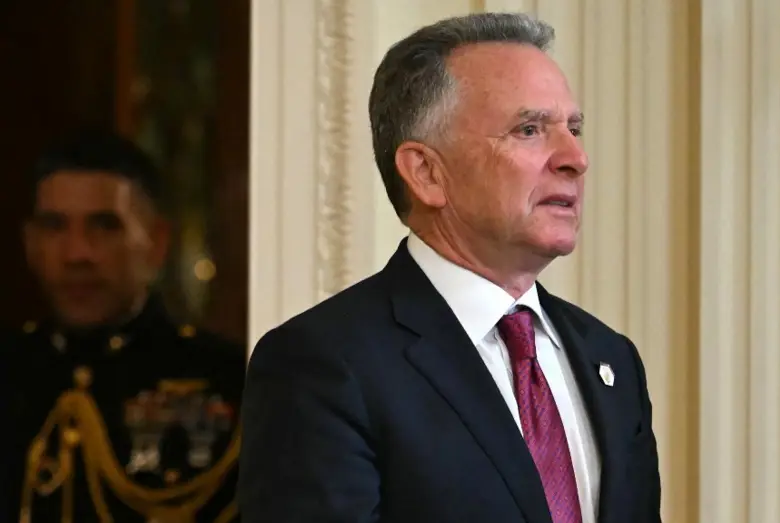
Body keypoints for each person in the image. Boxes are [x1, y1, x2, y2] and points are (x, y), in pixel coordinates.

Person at [239, 12, 661, 523]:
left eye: (574, 129)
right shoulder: (324, 365)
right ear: (426, 173)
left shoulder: (611, 358)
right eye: (529, 130)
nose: (575, 158)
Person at [2, 130, 245, 523]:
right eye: (55, 226)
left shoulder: (228, 380)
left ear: (156, 242)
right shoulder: (11, 371)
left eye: (104, 226)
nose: (77, 253)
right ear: (30, 243)